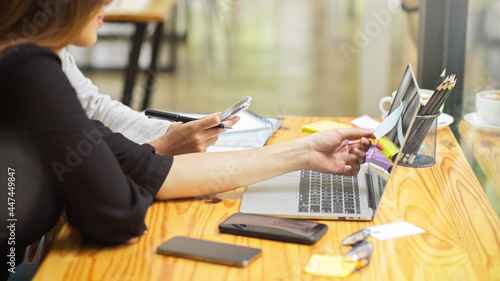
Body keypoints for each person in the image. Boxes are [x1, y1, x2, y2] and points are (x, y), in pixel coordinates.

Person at [0, 0, 373, 279]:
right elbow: (119, 213)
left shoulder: (31, 62)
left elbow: (145, 166)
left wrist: (305, 151)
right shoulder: (27, 71)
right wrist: (86, 187)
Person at [59, 47, 236, 155]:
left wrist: (168, 131)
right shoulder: (37, 63)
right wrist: (161, 147)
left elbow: (95, 108)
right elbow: (75, 163)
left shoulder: (56, 52)